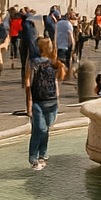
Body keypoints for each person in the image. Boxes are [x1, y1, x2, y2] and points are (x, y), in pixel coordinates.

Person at [25, 37, 60, 169]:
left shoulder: (53, 62)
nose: (51, 48)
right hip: (38, 101)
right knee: (39, 128)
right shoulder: (33, 63)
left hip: (51, 101)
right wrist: (29, 102)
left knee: (46, 129)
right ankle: (33, 156)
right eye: (50, 46)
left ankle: (42, 154)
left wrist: (58, 98)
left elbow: (55, 80)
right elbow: (27, 82)